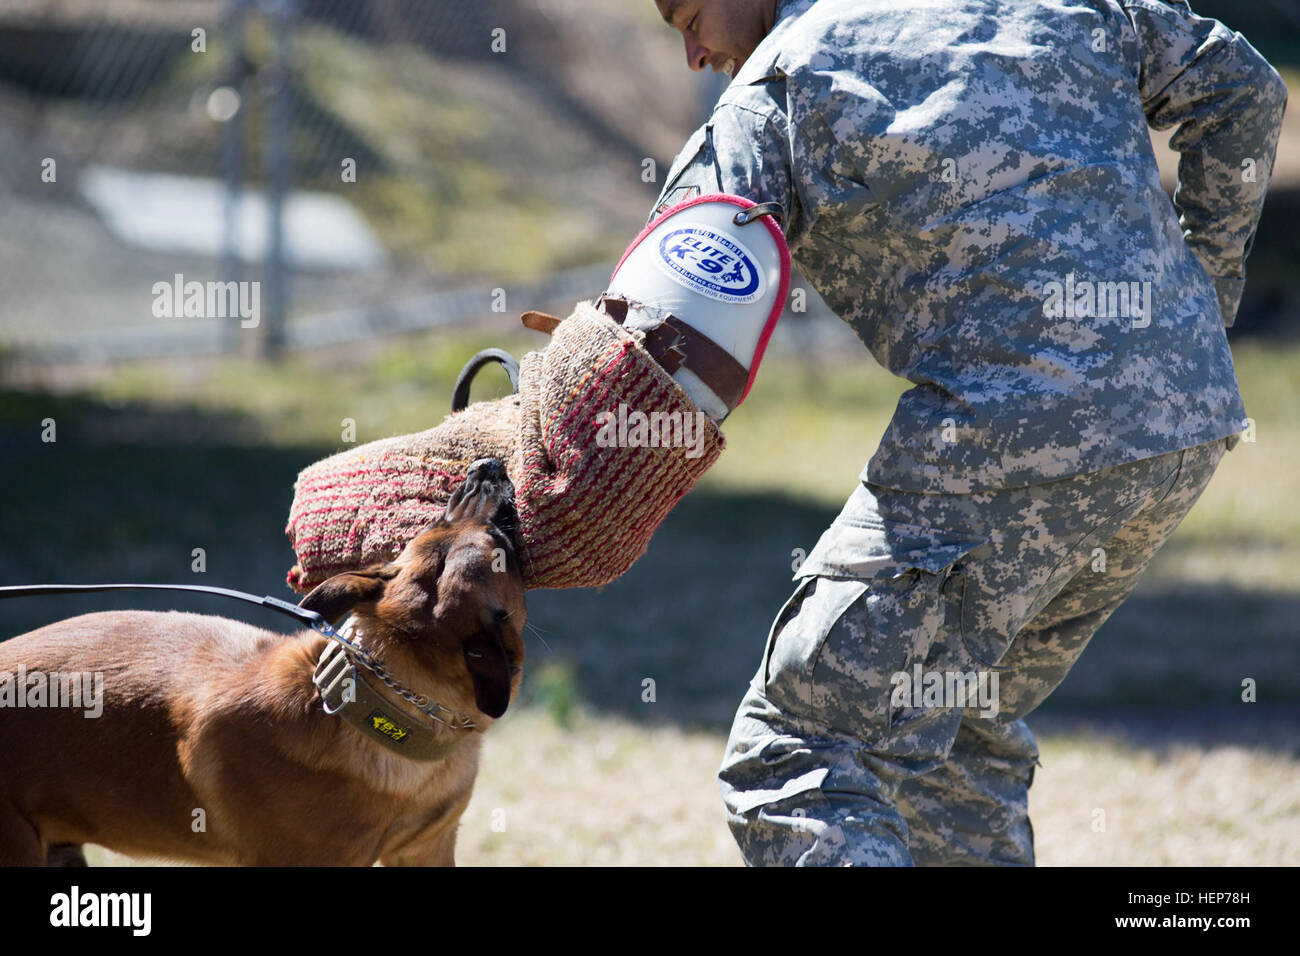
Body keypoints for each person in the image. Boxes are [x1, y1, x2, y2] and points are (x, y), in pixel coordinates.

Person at [649, 0, 1286, 865]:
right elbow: (1243, 88)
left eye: (687, 14)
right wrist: (1200, 300)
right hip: (1185, 422)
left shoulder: (783, 80)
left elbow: (658, 303)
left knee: (795, 751)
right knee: (950, 723)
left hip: (1008, 433)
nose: (692, 53)